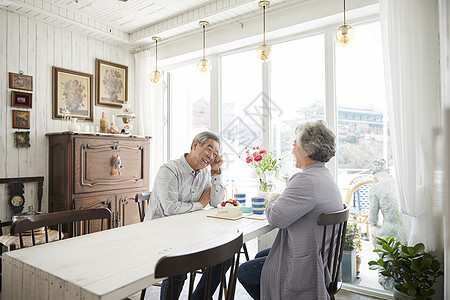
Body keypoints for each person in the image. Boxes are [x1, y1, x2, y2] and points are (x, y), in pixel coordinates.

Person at [238, 120, 343, 300]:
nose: (293, 149)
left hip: (308, 267)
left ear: (306, 149)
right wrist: (281, 196)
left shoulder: (306, 181)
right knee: (260, 255)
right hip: (323, 261)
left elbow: (275, 218)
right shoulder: (325, 177)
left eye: (294, 144)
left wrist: (273, 197)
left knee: (244, 271)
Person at [144, 131, 225, 300]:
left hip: (188, 233)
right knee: (179, 267)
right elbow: (170, 209)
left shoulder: (204, 173)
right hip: (159, 234)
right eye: (209, 150)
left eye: (215, 154)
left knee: (224, 256)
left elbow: (217, 202)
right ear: (195, 145)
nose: (211, 156)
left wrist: (216, 172)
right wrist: (200, 204)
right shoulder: (170, 170)